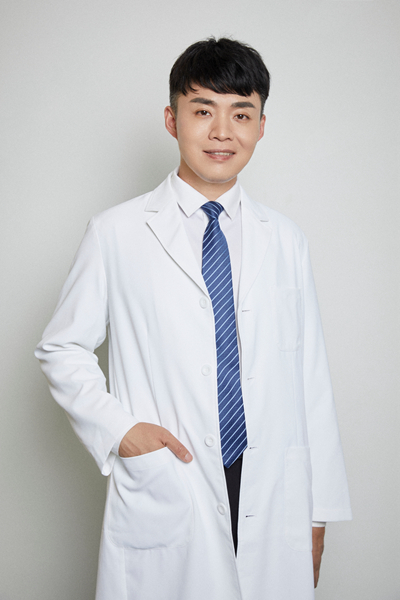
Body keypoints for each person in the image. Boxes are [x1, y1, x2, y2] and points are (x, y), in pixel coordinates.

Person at [35, 37, 352, 600]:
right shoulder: (116, 232)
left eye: (241, 114)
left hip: (271, 485)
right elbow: (61, 347)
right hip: (171, 474)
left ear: (261, 126)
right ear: (171, 119)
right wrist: (120, 430)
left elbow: (312, 379)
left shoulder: (285, 239)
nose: (222, 132)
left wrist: (318, 513)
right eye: (203, 110)